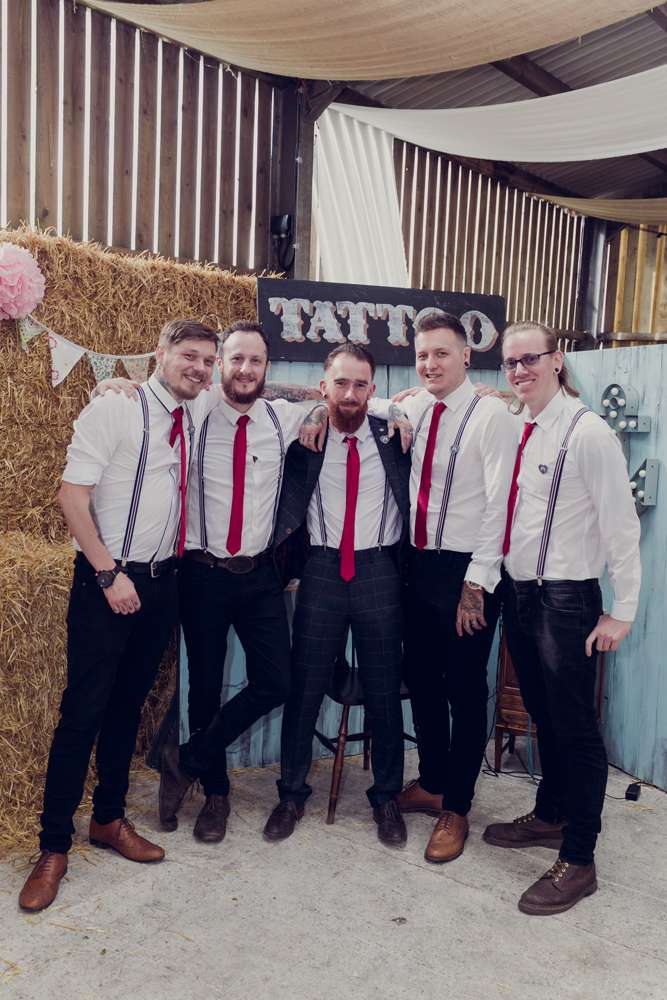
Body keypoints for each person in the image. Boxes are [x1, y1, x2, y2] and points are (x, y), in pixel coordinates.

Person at [18, 319, 219, 913]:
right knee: (82, 712)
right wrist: (108, 575)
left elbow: (262, 391)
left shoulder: (196, 409)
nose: (200, 368)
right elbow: (71, 496)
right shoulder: (117, 407)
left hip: (162, 584)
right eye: (189, 355)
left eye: (208, 360)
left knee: (128, 708)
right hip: (108, 580)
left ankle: (108, 819)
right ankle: (53, 846)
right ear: (160, 353)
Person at [483, 321, 641, 916]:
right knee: (543, 714)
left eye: (530, 359)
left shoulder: (588, 433)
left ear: (557, 360)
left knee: (575, 729)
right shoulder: (522, 425)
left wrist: (622, 611)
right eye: (510, 362)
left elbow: (622, 527)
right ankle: (551, 814)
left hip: (567, 599)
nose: (519, 370)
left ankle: (579, 858)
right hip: (521, 594)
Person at [371, 311, 517, 864]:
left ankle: (457, 804)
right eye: (422, 355)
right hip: (416, 565)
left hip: (466, 573)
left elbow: (501, 505)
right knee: (422, 680)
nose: (430, 364)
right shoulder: (413, 406)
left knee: (464, 688)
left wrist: (475, 585)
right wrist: (387, 404)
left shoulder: (491, 415)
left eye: (441, 354)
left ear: (466, 356)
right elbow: (366, 402)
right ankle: (432, 781)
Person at [262, 342, 412, 846]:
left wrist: (390, 408)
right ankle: (290, 794)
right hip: (322, 570)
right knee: (304, 688)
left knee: (384, 691)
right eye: (340, 383)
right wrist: (313, 409)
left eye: (360, 385)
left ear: (373, 389)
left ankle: (386, 797)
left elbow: (436, 399)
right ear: (323, 386)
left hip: (379, 570)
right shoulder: (304, 432)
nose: (350, 394)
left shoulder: (393, 433)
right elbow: (260, 392)